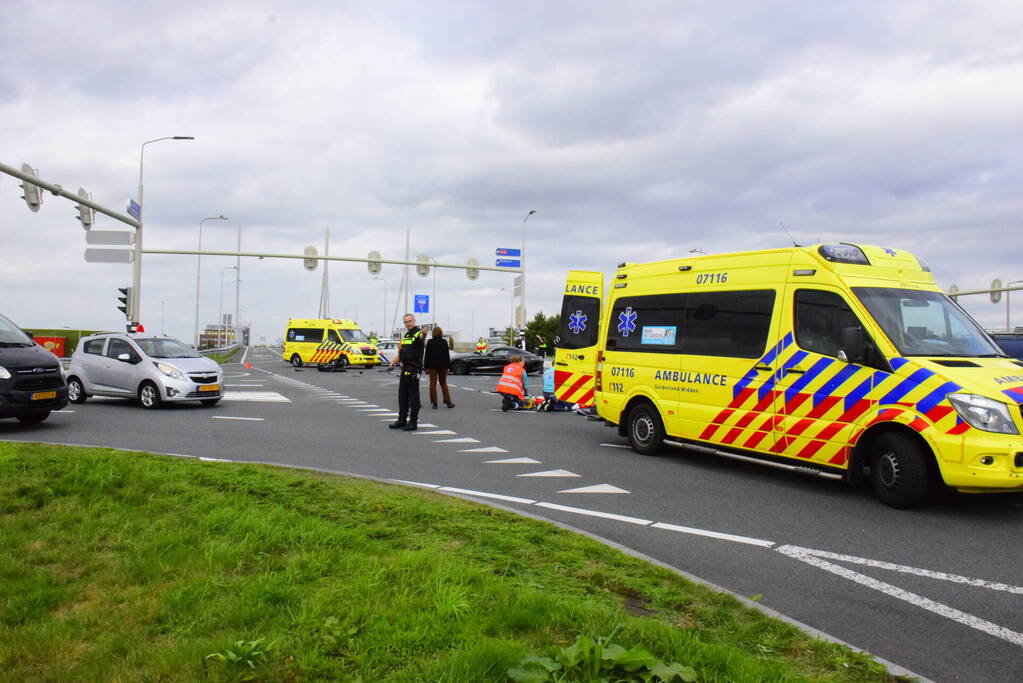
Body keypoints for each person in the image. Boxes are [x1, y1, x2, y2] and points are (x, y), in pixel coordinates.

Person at [388, 313, 424, 431]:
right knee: (402, 395)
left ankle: (413, 422)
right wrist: (393, 362)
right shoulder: (407, 335)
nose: (408, 323)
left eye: (410, 321)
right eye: (406, 322)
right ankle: (402, 420)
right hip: (405, 368)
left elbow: (421, 336)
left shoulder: (417, 333)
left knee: (414, 397)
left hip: (414, 369)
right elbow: (401, 352)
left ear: (414, 321)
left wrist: (424, 333)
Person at [425, 326, 455, 409]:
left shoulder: (429, 342)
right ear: (441, 333)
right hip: (442, 366)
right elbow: (446, 355)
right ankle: (448, 402)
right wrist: (448, 366)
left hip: (432, 366)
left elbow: (427, 355)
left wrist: (426, 367)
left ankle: (434, 403)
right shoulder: (444, 342)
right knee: (443, 383)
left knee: (432, 384)